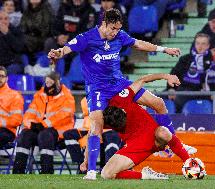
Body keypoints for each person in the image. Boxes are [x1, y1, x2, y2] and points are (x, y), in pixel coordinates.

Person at [48, 8, 181, 178]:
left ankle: (173, 142)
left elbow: (138, 43)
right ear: (104, 23)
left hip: (119, 84)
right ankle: (90, 172)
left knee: (159, 103)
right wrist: (56, 53)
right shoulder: (86, 38)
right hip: (98, 90)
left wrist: (164, 49)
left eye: (118, 28)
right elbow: (65, 49)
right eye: (113, 28)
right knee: (96, 125)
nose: (116, 32)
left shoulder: (119, 35)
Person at [81, 73, 204, 180]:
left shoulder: (123, 97)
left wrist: (166, 76)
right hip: (135, 146)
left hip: (154, 136)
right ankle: (145, 175)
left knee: (163, 132)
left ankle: (188, 161)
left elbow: (142, 80)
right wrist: (86, 161)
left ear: (123, 111)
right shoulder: (102, 119)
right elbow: (92, 135)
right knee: (106, 174)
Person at [13, 72, 75, 174]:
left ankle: (46, 171)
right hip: (39, 130)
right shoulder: (39, 95)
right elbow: (29, 113)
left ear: (58, 83)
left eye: (50, 83)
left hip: (58, 133)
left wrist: (44, 124)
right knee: (24, 135)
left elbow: (64, 115)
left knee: (45, 135)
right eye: (46, 83)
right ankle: (18, 171)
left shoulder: (67, 97)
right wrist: (31, 125)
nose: (48, 85)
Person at [168, 33, 213, 113]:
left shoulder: (212, 61)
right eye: (198, 43)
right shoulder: (185, 59)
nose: (200, 46)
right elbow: (174, 74)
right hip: (182, 89)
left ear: (208, 46)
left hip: (200, 92)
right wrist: (171, 88)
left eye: (203, 44)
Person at [0, 66, 24, 148]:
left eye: (2, 76)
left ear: (6, 79)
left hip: (7, 131)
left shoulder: (15, 96)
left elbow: (17, 120)